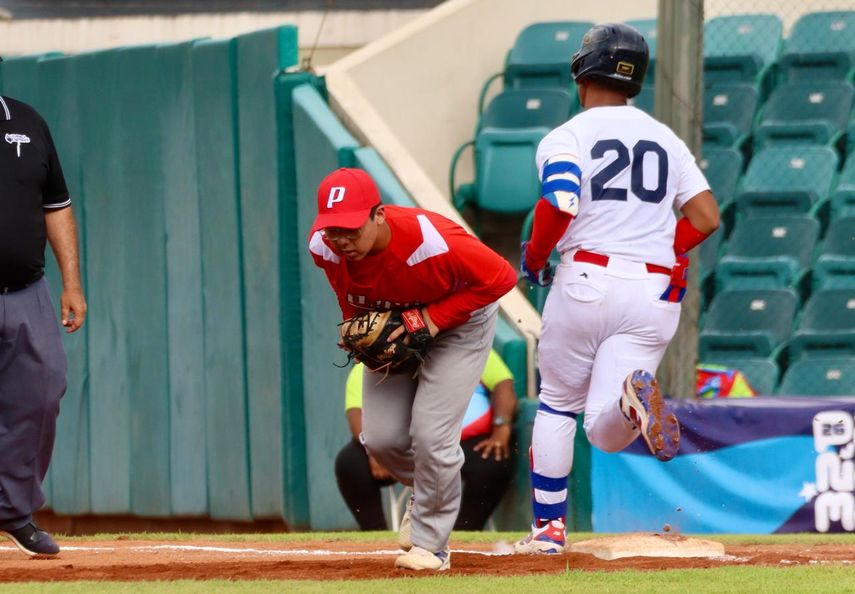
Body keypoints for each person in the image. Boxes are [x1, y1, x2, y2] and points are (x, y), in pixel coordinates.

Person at [514, 23, 720, 554]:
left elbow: (559, 202)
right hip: (655, 290)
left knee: (559, 406)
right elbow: (705, 216)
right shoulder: (665, 138)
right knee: (605, 430)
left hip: (587, 278)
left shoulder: (567, 136)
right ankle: (633, 404)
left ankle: (549, 532)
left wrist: (535, 258)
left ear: (583, 70)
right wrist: (667, 250)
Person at [308, 167, 516, 571]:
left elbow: (501, 277)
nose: (341, 240)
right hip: (396, 319)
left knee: (431, 433)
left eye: (351, 228)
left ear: (379, 215)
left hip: (458, 321)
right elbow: (348, 291)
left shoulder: (432, 240)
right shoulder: (324, 248)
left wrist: (432, 319)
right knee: (381, 438)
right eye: (333, 229)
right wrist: (354, 324)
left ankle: (431, 547)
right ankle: (428, 489)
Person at [0, 87, 87, 557]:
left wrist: (71, 282)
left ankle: (12, 512)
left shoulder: (28, 121)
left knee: (43, 392)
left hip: (26, 289)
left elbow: (57, 205)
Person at [335, 349, 517, 532]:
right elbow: (356, 412)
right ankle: (376, 535)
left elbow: (503, 385)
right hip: (403, 447)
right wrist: (375, 452)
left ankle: (464, 533)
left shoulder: (469, 346)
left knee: (494, 458)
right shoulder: (374, 361)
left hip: (462, 443)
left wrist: (502, 427)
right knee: (350, 461)